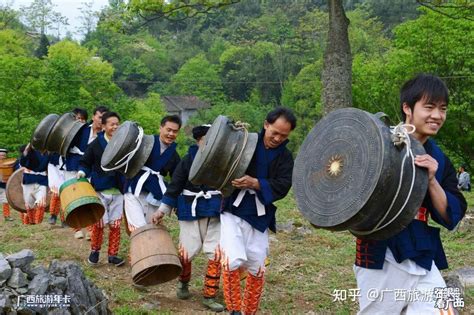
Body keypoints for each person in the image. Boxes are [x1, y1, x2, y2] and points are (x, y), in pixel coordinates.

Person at [354, 74, 467, 314]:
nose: (437, 115)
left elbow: (451, 215)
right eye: (429, 107)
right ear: (407, 107)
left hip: (422, 252)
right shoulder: (379, 143)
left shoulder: (439, 159)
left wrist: (432, 180)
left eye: (442, 109)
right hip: (380, 251)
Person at [219, 107, 296, 315]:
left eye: (283, 135)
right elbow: (223, 162)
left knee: (257, 264)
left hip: (261, 213)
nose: (278, 138)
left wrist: (256, 183)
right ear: (266, 125)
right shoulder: (245, 142)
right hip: (233, 208)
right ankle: (234, 309)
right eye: (275, 132)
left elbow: (283, 185)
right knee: (232, 258)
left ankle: (249, 311)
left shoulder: (286, 157)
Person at [151, 125, 224, 312]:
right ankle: (183, 284)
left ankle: (210, 294)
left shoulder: (224, 160)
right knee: (186, 252)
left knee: (216, 253)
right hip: (190, 209)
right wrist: (162, 209)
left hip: (216, 210)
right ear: (199, 140)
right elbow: (174, 185)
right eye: (207, 139)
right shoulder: (187, 160)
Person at [78, 112, 125, 267]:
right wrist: (82, 172)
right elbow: (85, 161)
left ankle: (113, 255)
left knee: (116, 225)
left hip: (118, 190)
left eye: (117, 124)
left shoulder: (124, 143)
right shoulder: (96, 144)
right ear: (103, 126)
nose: (115, 127)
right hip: (100, 189)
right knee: (99, 224)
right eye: (111, 124)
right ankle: (95, 252)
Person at [124, 115, 181, 232]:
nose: (171, 134)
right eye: (168, 130)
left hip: (155, 193)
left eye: (175, 131)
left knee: (152, 228)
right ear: (161, 128)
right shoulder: (145, 142)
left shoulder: (174, 156)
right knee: (138, 229)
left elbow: (177, 180)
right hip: (135, 188)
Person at [67, 106, 108, 239]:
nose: (101, 120)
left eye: (104, 118)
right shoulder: (81, 129)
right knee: (73, 196)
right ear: (93, 117)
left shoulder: (106, 136)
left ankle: (91, 229)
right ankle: (76, 228)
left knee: (91, 197)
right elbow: (65, 141)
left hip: (92, 168)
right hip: (75, 164)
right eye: (99, 117)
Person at [19, 144, 49, 225]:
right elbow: (23, 162)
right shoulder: (29, 152)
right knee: (29, 204)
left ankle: (38, 223)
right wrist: (26, 152)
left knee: (41, 203)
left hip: (42, 180)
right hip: (29, 180)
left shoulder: (48, 152)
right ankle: (32, 222)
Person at [0, 148, 13, 222]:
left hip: (4, 186)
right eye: (1, 155)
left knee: (5, 201)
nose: (2, 156)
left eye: (4, 155)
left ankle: (7, 216)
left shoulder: (10, 163)